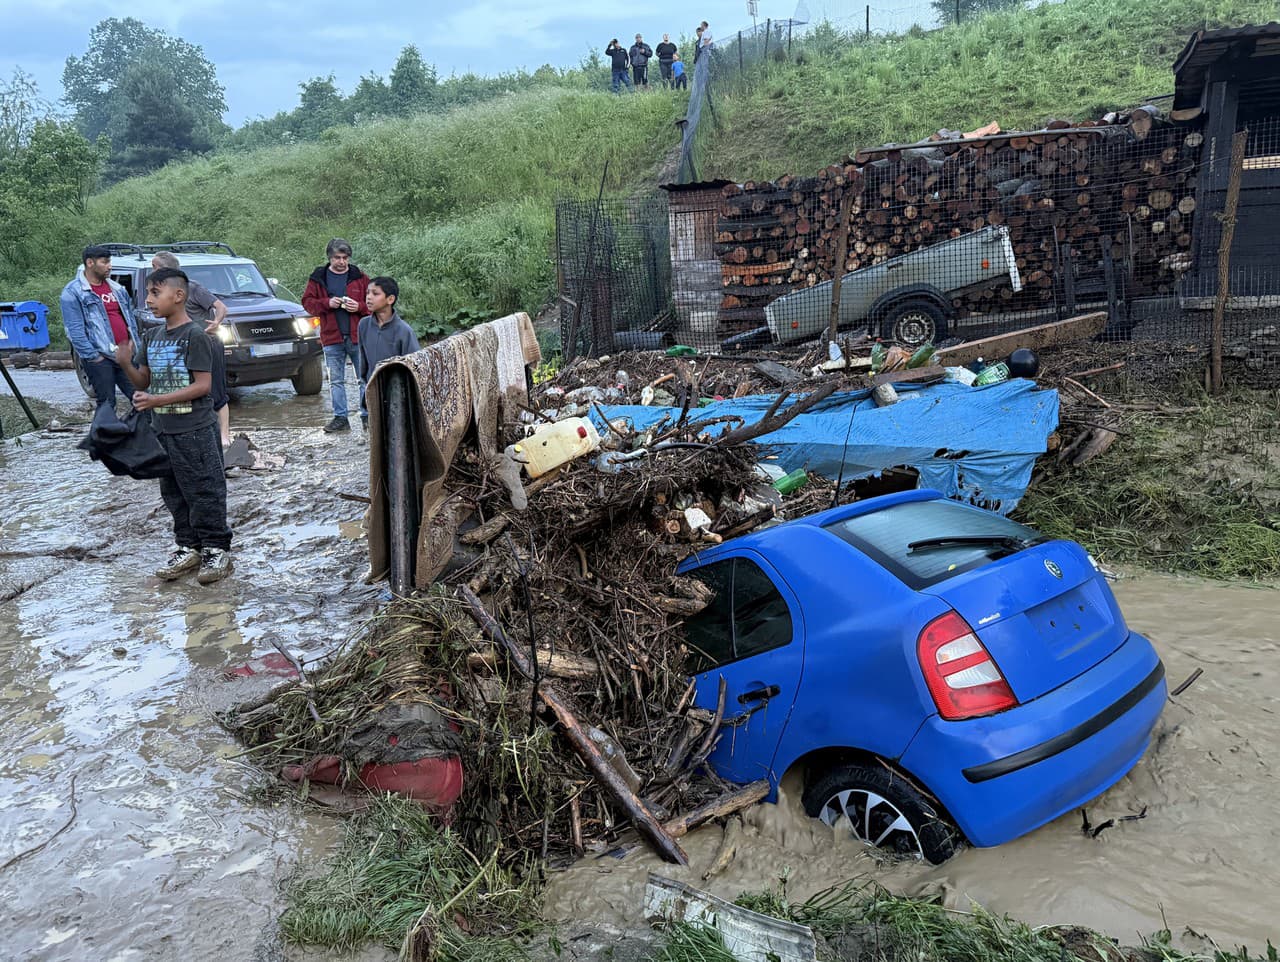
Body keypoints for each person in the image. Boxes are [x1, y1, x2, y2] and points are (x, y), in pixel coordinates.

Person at [114, 268, 233, 585]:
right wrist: (125, 362)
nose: (149, 300)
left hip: (195, 429)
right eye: (148, 294)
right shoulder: (151, 337)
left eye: (155, 292)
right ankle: (188, 546)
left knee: (204, 489)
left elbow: (203, 386)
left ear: (178, 296)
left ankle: (216, 548)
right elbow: (143, 380)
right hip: (163, 431)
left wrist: (156, 400)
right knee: (174, 492)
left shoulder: (196, 336)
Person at [151, 252, 232, 447]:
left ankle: (224, 436)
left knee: (216, 390)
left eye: (154, 268)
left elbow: (221, 306)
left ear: (164, 270)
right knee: (188, 390)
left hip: (207, 342)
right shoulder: (162, 294)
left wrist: (216, 321)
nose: (152, 272)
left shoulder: (192, 288)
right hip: (183, 347)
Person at [302, 238, 370, 433]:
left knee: (364, 378)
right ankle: (341, 418)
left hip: (358, 336)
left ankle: (367, 416)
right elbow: (307, 303)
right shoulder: (318, 278)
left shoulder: (359, 276)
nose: (342, 262)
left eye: (345, 258)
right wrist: (327, 303)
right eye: (337, 258)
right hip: (332, 337)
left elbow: (374, 303)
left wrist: (359, 307)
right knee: (336, 381)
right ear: (329, 258)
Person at [61, 245, 141, 410]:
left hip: (125, 355)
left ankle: (142, 434)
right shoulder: (73, 292)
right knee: (107, 404)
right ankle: (103, 435)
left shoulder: (117, 289)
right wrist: (94, 357)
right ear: (90, 263)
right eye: (104, 262)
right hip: (101, 357)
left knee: (141, 399)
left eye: (109, 261)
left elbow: (130, 319)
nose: (109, 266)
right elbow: (74, 331)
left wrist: (133, 343)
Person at [357, 277, 420, 390]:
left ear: (390, 299)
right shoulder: (364, 325)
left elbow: (415, 366)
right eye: (367, 293)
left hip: (396, 391)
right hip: (372, 388)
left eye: (375, 293)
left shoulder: (404, 330)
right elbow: (363, 360)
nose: (369, 297)